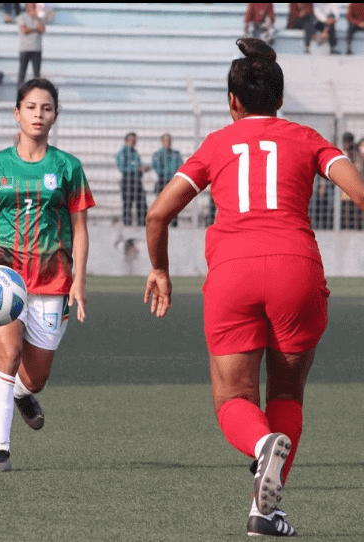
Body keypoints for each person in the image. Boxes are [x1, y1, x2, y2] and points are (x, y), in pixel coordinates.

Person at [144, 38, 364, 537]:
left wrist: (159, 269)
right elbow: (359, 192)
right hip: (296, 269)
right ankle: (264, 511)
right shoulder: (308, 138)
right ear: (281, 100)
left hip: (233, 272)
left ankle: (261, 447)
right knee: (287, 392)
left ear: (232, 102)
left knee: (233, 399)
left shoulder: (216, 144)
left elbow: (158, 214)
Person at [0, 78, 94, 472]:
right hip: (3, 281)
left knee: (35, 378)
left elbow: (80, 228)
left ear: (55, 115)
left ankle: (22, 394)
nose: (38, 114)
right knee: (8, 355)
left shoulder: (68, 167)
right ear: (17, 113)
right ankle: (0, 449)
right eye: (31, 107)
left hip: (53, 281)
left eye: (46, 108)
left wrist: (79, 283)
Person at [116, 132, 150, 227]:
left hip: (137, 181)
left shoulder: (135, 152)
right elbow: (122, 168)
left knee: (142, 202)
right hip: (128, 180)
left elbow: (139, 164)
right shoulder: (121, 153)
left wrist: (144, 168)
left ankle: (142, 224)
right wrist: (137, 169)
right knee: (128, 203)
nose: (134, 142)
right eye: (132, 140)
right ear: (126, 141)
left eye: (135, 140)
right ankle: (127, 224)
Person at [150, 133, 183, 227]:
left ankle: (174, 223)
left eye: (169, 140)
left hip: (173, 180)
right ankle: (161, 223)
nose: (167, 142)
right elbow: (157, 168)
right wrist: (170, 172)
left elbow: (181, 165)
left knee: (175, 202)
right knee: (161, 203)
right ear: (162, 142)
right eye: (165, 140)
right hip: (162, 180)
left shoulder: (176, 154)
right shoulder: (158, 154)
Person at [16, 2, 45, 86]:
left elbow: (42, 30)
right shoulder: (22, 17)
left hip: (36, 48)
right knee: (22, 73)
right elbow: (24, 30)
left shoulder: (39, 18)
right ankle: (19, 93)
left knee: (37, 74)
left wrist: (36, 17)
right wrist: (36, 29)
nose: (31, 8)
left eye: (32, 6)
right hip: (24, 48)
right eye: (29, 6)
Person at [340, 132, 362, 229]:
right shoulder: (345, 152)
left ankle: (354, 227)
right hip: (347, 184)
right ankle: (347, 227)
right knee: (347, 210)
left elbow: (359, 167)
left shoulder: (356, 152)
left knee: (354, 210)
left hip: (354, 183)